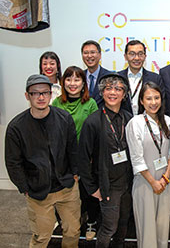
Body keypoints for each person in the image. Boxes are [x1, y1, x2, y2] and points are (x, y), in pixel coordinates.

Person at [5, 74, 80, 247]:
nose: (41, 97)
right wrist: (24, 187)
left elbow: (73, 150)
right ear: (27, 96)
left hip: (66, 187)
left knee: (73, 230)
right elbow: (13, 162)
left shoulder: (64, 118)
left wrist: (74, 174)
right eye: (35, 93)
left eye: (45, 93)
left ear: (51, 94)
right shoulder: (16, 127)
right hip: (37, 191)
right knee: (42, 236)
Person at [78, 73, 133, 247]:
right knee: (109, 227)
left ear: (124, 94)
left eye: (118, 89)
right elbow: (83, 158)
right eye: (108, 88)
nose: (113, 92)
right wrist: (92, 187)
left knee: (124, 223)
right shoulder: (93, 121)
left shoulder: (128, 118)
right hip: (108, 186)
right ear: (102, 93)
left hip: (128, 183)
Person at [52, 66, 99, 240]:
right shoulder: (57, 103)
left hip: (86, 157)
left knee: (88, 191)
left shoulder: (91, 103)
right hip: (64, 158)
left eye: (77, 79)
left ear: (83, 83)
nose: (73, 84)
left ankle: (92, 222)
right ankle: (71, 222)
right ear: (63, 82)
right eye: (69, 79)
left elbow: (96, 133)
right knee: (67, 193)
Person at [126, 82, 170, 248]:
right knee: (147, 230)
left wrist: (165, 178)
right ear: (141, 101)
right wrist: (153, 182)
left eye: (156, 98)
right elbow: (136, 158)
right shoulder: (135, 123)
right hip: (145, 182)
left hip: (165, 182)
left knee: (163, 227)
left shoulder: (168, 120)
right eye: (149, 98)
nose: (153, 102)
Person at [118, 40, 164, 115]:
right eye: (132, 54)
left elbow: (161, 103)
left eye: (140, 54)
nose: (136, 58)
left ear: (145, 56)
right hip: (122, 121)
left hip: (147, 122)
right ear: (125, 56)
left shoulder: (155, 78)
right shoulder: (118, 78)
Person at [81, 40, 111, 106]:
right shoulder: (80, 76)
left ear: (100, 55)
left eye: (92, 52)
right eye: (86, 53)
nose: (89, 56)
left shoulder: (109, 76)